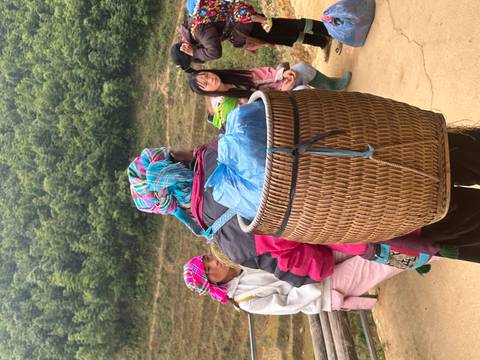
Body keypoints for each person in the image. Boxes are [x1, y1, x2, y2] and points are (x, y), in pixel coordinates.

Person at [127, 128, 480, 288]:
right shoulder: (230, 133)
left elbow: (315, 268)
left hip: (382, 216)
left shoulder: (232, 238)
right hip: (388, 140)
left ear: (170, 205)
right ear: (172, 157)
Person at [183, 253, 406, 314]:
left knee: (369, 245)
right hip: (323, 287)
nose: (213, 264)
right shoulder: (245, 300)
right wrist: (313, 283)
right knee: (379, 263)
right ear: (212, 285)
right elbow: (289, 304)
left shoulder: (239, 259)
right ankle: (435, 249)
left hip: (316, 260)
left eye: (207, 260)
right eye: (209, 272)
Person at [172, 0, 335, 69]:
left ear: (187, 49)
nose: (196, 60)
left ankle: (328, 30)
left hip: (247, 24)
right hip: (243, 28)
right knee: (286, 37)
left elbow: (215, 51)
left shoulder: (198, 31)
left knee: (289, 27)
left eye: (192, 59)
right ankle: (321, 42)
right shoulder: (190, 30)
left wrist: (195, 52)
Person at [189, 62, 352, 128]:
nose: (210, 79)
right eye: (206, 83)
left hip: (278, 94)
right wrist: (283, 93)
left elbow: (259, 75)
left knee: (300, 69)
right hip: (278, 116)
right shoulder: (228, 106)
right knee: (302, 93)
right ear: (206, 92)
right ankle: (336, 115)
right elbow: (261, 114)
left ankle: (333, 87)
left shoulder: (230, 77)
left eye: (206, 75)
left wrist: (282, 75)